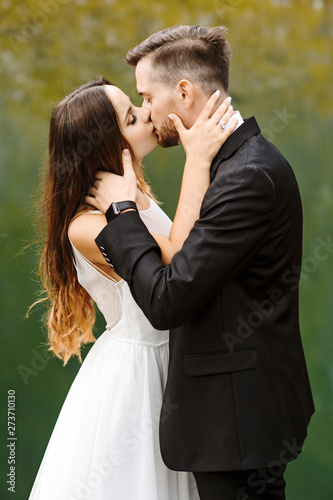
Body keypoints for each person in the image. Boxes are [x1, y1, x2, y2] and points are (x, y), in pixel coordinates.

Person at [88, 26, 315, 500]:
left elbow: (169, 298)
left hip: (235, 426)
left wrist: (122, 213)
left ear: (184, 93)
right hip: (230, 422)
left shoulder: (246, 177)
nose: (146, 112)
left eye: (147, 96)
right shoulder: (229, 164)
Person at [28, 75, 237, 500]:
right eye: (131, 116)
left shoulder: (132, 194)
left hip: (171, 360)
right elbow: (179, 256)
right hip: (139, 377)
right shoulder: (87, 227)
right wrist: (196, 160)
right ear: (107, 145)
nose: (146, 114)